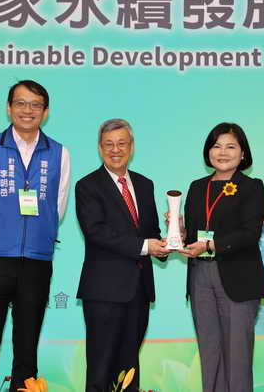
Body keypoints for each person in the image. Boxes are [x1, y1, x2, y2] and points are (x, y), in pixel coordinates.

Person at [0, 80, 70, 392]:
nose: (28, 110)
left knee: (27, 350)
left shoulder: (59, 153)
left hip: (36, 262)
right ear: (9, 108)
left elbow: (57, 206)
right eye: (21, 103)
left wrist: (36, 238)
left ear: (45, 112)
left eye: (36, 105)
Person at [75, 118, 169, 392]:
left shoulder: (144, 184)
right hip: (104, 292)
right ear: (99, 148)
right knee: (101, 369)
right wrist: (146, 246)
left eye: (121, 143)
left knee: (129, 369)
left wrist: (168, 242)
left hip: (139, 291)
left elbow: (151, 231)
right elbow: (96, 232)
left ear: (132, 147)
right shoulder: (88, 186)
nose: (115, 150)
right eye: (109, 144)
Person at [177, 122, 264, 392]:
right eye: (217, 146)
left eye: (231, 146)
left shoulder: (251, 187)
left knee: (237, 356)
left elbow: (249, 233)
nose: (223, 152)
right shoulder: (197, 187)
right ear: (208, 152)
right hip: (200, 276)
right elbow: (192, 236)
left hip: (237, 277)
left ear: (243, 153)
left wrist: (209, 244)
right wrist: (180, 232)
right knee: (209, 353)